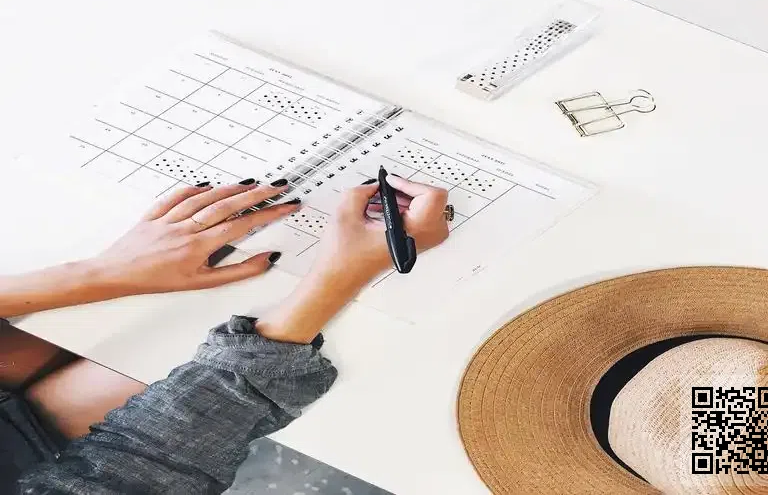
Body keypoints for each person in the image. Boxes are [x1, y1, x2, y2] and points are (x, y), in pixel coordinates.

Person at [0, 175, 450, 494]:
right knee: (187, 340)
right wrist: (336, 278)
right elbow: (144, 467)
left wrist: (105, 273)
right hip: (35, 459)